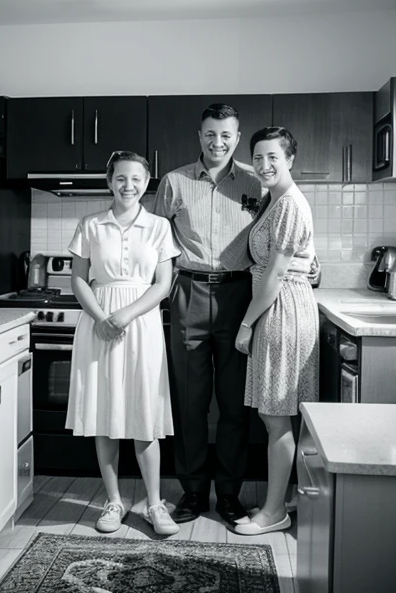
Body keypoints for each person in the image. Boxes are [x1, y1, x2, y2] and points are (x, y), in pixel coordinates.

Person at [154, 103, 263, 527]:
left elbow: (279, 236)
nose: (217, 142)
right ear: (199, 135)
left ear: (237, 138)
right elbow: (155, 241)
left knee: (235, 404)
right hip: (188, 293)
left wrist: (311, 265)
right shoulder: (174, 182)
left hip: (241, 296)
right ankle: (194, 491)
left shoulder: (257, 182)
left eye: (226, 135)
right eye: (210, 134)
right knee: (190, 401)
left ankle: (231, 495)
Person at [65, 150, 181, 536]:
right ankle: (113, 502)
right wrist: (101, 317)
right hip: (98, 323)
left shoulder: (160, 226)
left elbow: (163, 285)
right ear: (109, 181)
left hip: (141, 323)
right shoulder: (90, 225)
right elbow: (79, 280)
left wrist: (126, 315)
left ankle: (154, 504)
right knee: (105, 414)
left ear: (147, 183)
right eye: (120, 178)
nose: (128, 185)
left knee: (144, 415)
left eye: (136, 179)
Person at [234, 126, 319, 536]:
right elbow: (301, 258)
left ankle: (273, 514)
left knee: (275, 416)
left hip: (281, 309)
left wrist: (247, 323)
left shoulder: (288, 204)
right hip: (282, 305)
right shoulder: (276, 199)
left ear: (290, 160)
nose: (264, 165)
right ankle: (282, 499)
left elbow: (277, 271)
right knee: (279, 413)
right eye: (258, 158)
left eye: (273, 157)